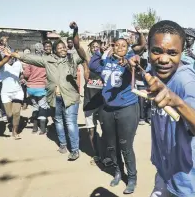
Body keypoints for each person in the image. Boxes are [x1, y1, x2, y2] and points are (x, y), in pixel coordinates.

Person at [132, 20, 195, 197]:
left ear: (181, 53)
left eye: (172, 53)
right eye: (157, 51)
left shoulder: (186, 82)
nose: (163, 59)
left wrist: (179, 103)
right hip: (167, 173)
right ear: (148, 50)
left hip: (190, 182)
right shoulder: (155, 69)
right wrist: (135, 63)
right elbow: (146, 67)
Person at [72, 22, 139, 194]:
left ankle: (131, 178)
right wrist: (99, 52)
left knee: (125, 145)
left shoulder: (129, 59)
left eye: (123, 45)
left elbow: (134, 62)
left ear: (127, 47)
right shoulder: (106, 61)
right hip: (107, 109)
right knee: (112, 145)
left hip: (127, 108)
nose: (120, 48)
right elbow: (93, 65)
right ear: (112, 46)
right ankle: (118, 172)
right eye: (117, 45)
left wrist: (129, 62)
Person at [8, 33, 85, 161]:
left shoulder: (72, 59)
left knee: (71, 123)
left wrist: (76, 33)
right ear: (54, 51)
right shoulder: (47, 60)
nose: (63, 50)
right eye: (59, 48)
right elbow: (30, 58)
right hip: (55, 97)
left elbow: (81, 53)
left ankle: (75, 150)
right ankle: (63, 144)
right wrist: (15, 54)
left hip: (71, 97)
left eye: (64, 47)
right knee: (59, 121)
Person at [83, 40, 105, 165]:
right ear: (90, 48)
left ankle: (106, 154)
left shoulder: (106, 60)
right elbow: (77, 46)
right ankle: (96, 154)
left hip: (102, 101)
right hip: (89, 100)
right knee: (91, 130)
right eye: (93, 46)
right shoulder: (87, 60)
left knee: (106, 129)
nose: (96, 48)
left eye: (98, 46)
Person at [23, 48, 49, 135]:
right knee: (42, 107)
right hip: (41, 88)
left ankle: (34, 127)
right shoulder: (45, 61)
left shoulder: (30, 62)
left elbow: (26, 74)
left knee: (35, 106)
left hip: (31, 88)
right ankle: (42, 128)